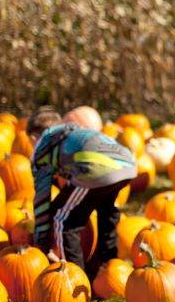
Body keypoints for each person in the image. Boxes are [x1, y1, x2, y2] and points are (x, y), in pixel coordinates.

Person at [27, 106, 137, 276]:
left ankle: (74, 276)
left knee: (63, 220)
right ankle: (108, 267)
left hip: (96, 169)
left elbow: (42, 199)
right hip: (127, 164)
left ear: (34, 137)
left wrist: (41, 242)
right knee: (106, 210)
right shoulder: (73, 130)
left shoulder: (42, 145)